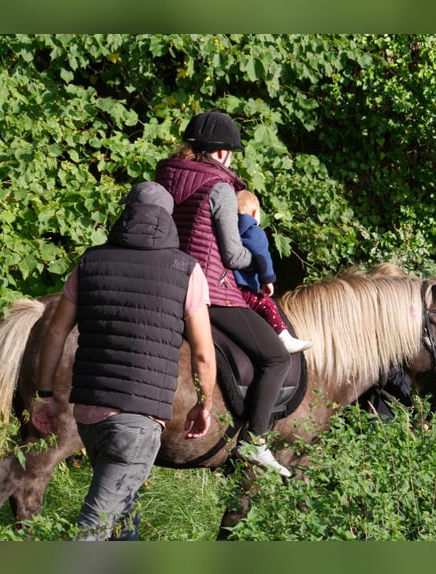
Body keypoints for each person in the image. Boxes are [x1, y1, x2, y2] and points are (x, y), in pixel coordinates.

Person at [31, 181, 216, 541]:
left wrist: (45, 394)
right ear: (169, 219)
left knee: (122, 513)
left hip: (88, 416)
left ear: (126, 211)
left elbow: (55, 334)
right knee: (94, 527)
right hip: (138, 422)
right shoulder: (186, 269)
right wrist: (205, 403)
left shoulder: (90, 261)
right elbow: (203, 352)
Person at [155, 109, 292, 477]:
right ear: (220, 154)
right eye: (231, 152)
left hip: (163, 285)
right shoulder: (220, 188)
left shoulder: (165, 177)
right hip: (210, 292)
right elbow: (231, 254)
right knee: (277, 357)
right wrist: (258, 263)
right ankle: (255, 443)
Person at [234, 189, 313, 354]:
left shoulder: (230, 232)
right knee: (267, 305)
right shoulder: (254, 232)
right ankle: (284, 338)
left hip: (229, 286)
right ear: (255, 213)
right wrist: (267, 279)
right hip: (243, 289)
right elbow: (262, 257)